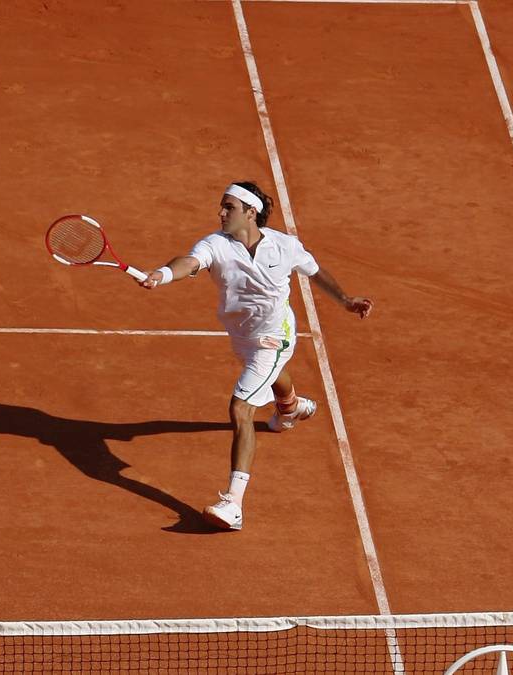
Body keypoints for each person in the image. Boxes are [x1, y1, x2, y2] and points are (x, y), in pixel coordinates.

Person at [139, 182, 372, 531]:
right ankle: (291, 408)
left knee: (241, 408)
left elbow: (314, 270)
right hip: (242, 337)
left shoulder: (285, 245)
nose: (220, 213)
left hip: (275, 336)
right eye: (221, 206)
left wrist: (344, 299)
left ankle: (233, 504)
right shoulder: (216, 244)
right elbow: (190, 262)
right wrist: (164, 273)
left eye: (228, 207)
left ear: (250, 212)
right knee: (269, 374)